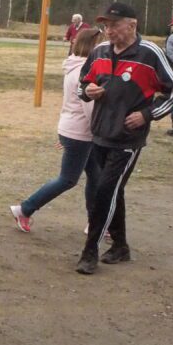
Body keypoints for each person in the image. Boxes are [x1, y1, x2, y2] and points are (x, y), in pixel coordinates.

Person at [74, 2, 173, 275]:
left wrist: (148, 115)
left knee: (104, 192)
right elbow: (82, 86)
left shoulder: (150, 54)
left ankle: (90, 252)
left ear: (131, 25)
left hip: (127, 140)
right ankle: (121, 246)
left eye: (114, 25)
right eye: (106, 25)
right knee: (113, 191)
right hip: (99, 133)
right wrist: (89, 91)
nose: (108, 31)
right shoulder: (99, 52)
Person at [10, 28, 103, 232]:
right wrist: (102, 130)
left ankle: (96, 222)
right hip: (81, 132)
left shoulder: (75, 66)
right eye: (101, 44)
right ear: (92, 46)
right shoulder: (84, 71)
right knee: (68, 179)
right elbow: (89, 108)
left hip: (75, 129)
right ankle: (24, 209)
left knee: (96, 176)